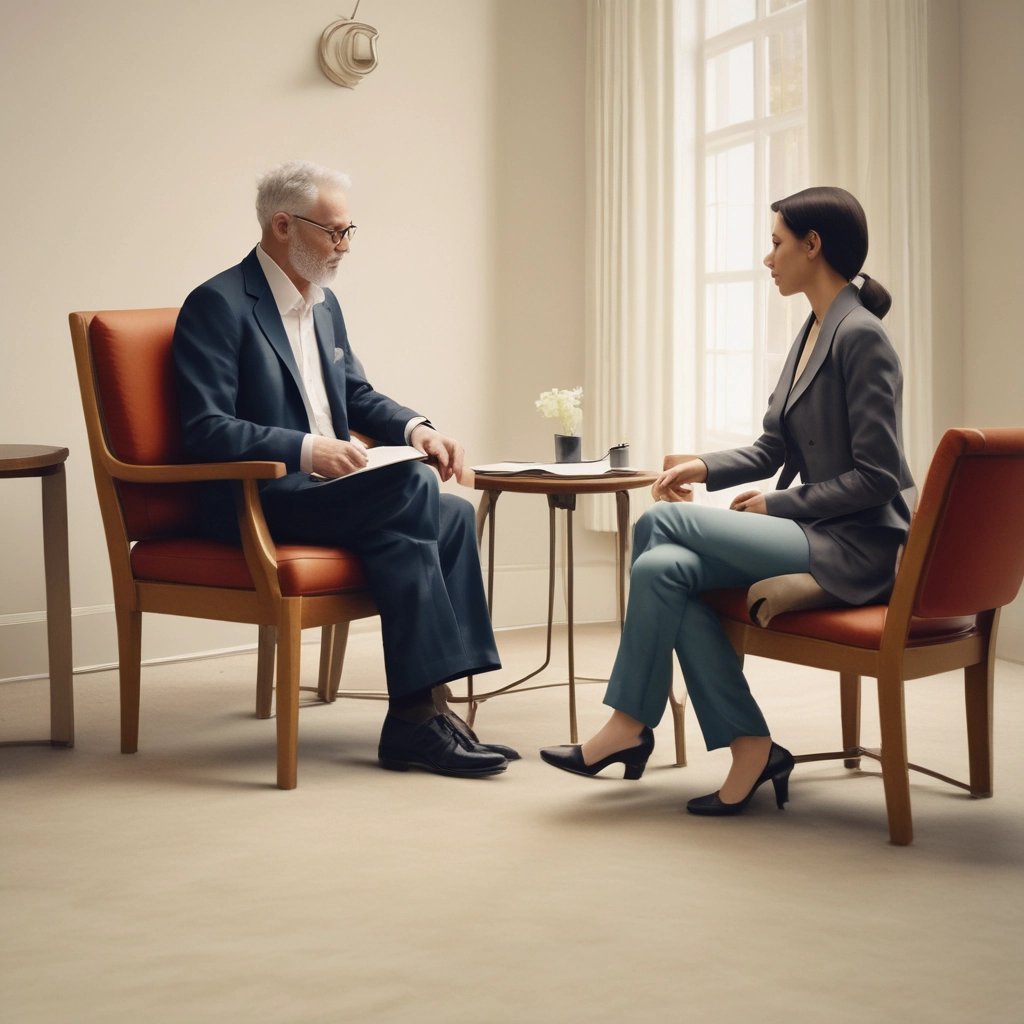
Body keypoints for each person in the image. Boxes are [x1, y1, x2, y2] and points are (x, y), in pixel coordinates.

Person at [540, 186, 915, 815]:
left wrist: (781, 506)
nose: (768, 259)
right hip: (818, 532)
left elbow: (881, 477)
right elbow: (772, 447)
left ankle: (630, 723)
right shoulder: (813, 330)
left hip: (855, 547)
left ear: (812, 246)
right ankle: (750, 744)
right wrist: (702, 465)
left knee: (661, 525)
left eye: (776, 243)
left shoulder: (860, 337)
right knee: (663, 570)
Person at [173, 160, 517, 777]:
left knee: (451, 512)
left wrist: (419, 429)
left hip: (331, 494)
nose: (345, 246)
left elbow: (356, 395)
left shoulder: (323, 305)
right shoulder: (218, 304)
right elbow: (203, 429)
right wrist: (308, 448)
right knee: (415, 491)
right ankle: (420, 719)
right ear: (283, 225)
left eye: (349, 230)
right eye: (333, 232)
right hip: (258, 498)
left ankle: (426, 711)